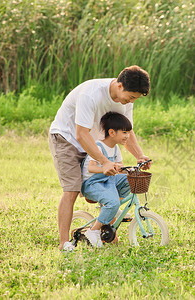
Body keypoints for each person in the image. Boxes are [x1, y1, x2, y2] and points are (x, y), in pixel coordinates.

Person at [48, 65, 152, 251]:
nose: (131, 101)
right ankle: (64, 242)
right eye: (131, 97)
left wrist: (139, 155)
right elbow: (81, 134)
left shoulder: (126, 101)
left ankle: (105, 219)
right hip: (67, 138)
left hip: (95, 143)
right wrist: (104, 161)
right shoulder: (91, 94)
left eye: (135, 99)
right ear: (120, 86)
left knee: (116, 180)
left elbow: (125, 132)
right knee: (72, 189)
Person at [81, 112, 133, 248]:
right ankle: (94, 230)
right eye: (125, 132)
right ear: (112, 132)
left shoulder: (115, 148)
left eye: (128, 132)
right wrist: (105, 168)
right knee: (112, 202)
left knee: (130, 179)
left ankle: (114, 208)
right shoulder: (99, 147)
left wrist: (131, 169)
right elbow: (91, 168)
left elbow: (120, 168)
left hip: (108, 180)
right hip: (93, 182)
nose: (128, 136)